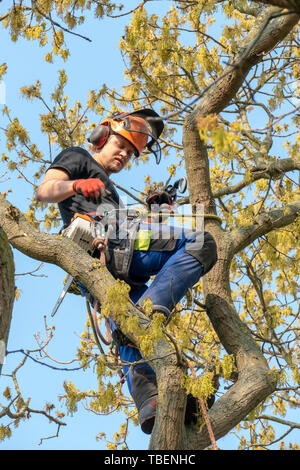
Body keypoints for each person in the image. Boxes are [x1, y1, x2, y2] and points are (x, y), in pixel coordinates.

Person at [36, 109, 218, 434]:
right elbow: (45, 190)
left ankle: (157, 400)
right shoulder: (78, 157)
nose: (124, 155)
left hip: (116, 260)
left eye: (131, 153)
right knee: (199, 242)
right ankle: (152, 317)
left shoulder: (112, 194)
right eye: (121, 145)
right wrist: (77, 183)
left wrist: (156, 212)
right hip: (108, 249)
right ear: (101, 136)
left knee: (134, 333)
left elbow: (126, 225)